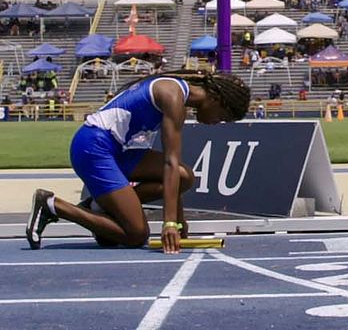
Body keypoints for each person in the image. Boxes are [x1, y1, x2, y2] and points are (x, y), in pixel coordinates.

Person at [26, 68, 251, 253]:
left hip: (119, 150)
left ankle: (100, 208)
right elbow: (169, 163)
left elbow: (173, 173)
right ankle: (53, 205)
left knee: (185, 176)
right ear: (216, 99)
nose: (217, 122)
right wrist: (170, 223)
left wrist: (180, 222)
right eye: (222, 117)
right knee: (136, 235)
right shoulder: (173, 96)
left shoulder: (177, 92)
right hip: (93, 147)